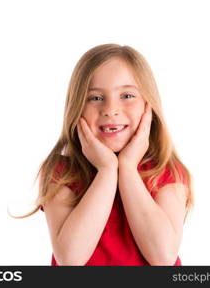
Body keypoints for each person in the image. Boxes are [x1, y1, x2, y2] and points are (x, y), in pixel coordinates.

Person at [10, 43, 194, 266]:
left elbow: (163, 257)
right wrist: (107, 170)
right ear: (76, 108)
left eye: (127, 95)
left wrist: (126, 168)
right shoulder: (61, 172)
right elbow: (70, 258)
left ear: (149, 107)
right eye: (95, 98)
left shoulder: (167, 171)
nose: (110, 109)